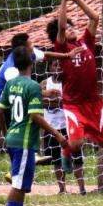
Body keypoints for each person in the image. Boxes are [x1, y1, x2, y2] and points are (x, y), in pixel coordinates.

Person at [0, 47, 68, 206]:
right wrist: (58, 135)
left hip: (13, 138)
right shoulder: (34, 86)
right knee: (18, 184)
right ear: (31, 63)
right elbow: (36, 116)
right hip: (24, 141)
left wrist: (6, 132)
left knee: (22, 184)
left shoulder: (10, 84)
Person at [46, 0, 103, 158]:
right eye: (67, 28)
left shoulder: (86, 42)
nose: (71, 29)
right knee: (75, 144)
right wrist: (65, 0)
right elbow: (60, 27)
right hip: (74, 104)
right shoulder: (62, 48)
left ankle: (84, 131)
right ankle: (65, 153)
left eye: (71, 26)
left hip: (94, 102)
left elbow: (95, 18)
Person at [0, 32, 82, 129]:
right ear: (24, 49)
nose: (33, 45)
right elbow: (20, 89)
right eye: (31, 44)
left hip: (10, 101)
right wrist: (44, 93)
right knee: (28, 125)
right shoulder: (11, 69)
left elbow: (46, 55)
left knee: (24, 131)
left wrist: (67, 55)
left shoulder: (26, 55)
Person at [41, 60, 86, 195]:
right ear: (50, 67)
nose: (58, 67)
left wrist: (58, 101)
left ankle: (82, 189)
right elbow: (41, 101)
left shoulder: (69, 83)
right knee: (56, 160)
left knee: (77, 159)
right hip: (51, 128)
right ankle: (62, 189)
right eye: (55, 65)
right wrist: (56, 102)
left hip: (69, 126)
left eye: (61, 65)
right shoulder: (44, 84)